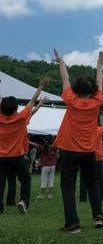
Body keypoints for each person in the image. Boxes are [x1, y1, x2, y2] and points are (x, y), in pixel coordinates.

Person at [53, 49, 103, 233]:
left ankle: (73, 224)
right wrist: (99, 66)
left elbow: (65, 79)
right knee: (92, 184)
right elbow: (99, 81)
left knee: (68, 187)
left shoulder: (70, 99)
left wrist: (61, 62)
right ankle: (98, 216)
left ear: (75, 88)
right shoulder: (97, 101)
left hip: (69, 150)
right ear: (92, 90)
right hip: (89, 151)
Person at [0, 78, 49, 214]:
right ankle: (23, 201)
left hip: (1, 157)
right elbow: (32, 103)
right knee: (26, 179)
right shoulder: (21, 118)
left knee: (1, 182)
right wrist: (40, 87)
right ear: (16, 108)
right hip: (17, 156)